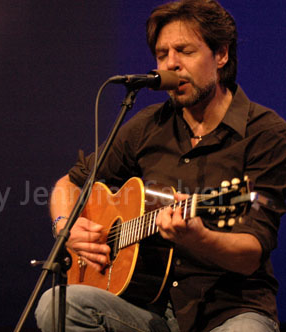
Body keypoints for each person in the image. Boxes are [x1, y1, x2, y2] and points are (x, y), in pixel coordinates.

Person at [35, 0, 286, 331]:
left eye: (185, 51)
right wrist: (65, 227)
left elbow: (251, 252)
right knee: (56, 306)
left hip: (231, 309)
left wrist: (199, 239)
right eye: (162, 53)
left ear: (221, 54)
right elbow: (69, 184)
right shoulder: (146, 126)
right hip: (145, 307)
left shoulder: (265, 133)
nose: (171, 64)